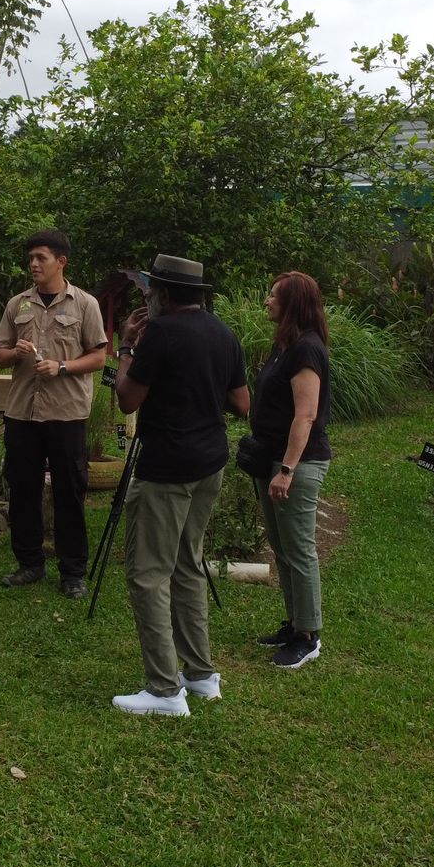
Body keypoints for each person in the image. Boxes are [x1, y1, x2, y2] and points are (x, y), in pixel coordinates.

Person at [109, 254, 249, 716]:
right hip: (210, 462)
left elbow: (128, 399)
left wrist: (127, 348)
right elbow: (241, 402)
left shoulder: (161, 334)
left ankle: (164, 691)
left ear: (163, 294)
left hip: (167, 467)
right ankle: (201, 675)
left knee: (148, 573)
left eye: (150, 290)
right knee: (189, 565)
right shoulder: (222, 332)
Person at [0, 229, 110, 598]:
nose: (33, 264)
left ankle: (72, 571)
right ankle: (29, 563)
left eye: (41, 258)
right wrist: (17, 353)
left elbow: (99, 356)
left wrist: (61, 366)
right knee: (23, 488)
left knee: (69, 491)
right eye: (30, 259)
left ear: (61, 261)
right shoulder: (17, 304)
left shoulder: (85, 304)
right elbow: (0, 354)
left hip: (66, 413)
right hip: (23, 413)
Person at [242, 272, 333, 669]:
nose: (267, 300)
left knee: (298, 549)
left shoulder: (306, 350)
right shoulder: (285, 345)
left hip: (297, 462)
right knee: (281, 547)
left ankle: (308, 636)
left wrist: (288, 468)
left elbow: (306, 414)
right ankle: (294, 622)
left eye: (273, 296)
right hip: (272, 459)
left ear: (291, 303)